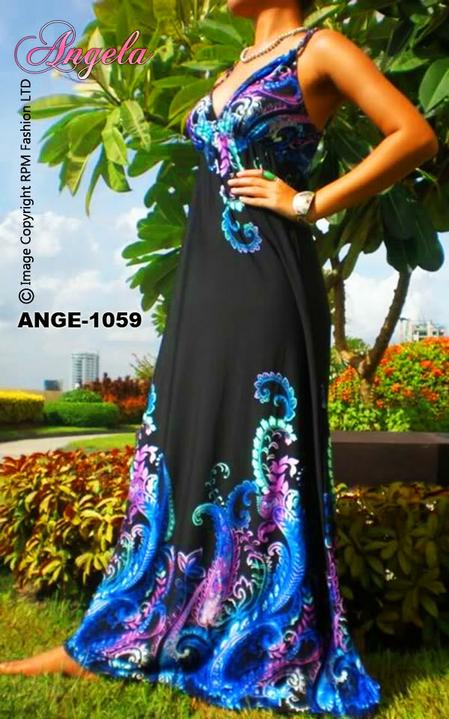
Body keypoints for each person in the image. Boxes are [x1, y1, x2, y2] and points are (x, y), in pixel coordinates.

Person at [0, 0, 438, 715]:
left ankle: (251, 643)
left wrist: (310, 202)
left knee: (252, 447)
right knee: (181, 440)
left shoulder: (320, 48)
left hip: (266, 278)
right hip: (203, 286)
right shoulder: (234, 65)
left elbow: (414, 135)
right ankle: (124, 631)